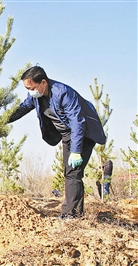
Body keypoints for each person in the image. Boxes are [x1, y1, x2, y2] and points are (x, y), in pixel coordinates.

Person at [8, 66, 106, 219]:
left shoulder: (63, 93)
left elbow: (77, 122)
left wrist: (76, 150)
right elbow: (21, 109)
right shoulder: (36, 96)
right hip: (68, 133)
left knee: (73, 172)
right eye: (27, 88)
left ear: (43, 83)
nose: (30, 91)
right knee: (72, 173)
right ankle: (76, 213)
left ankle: (70, 215)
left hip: (83, 133)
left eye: (31, 87)